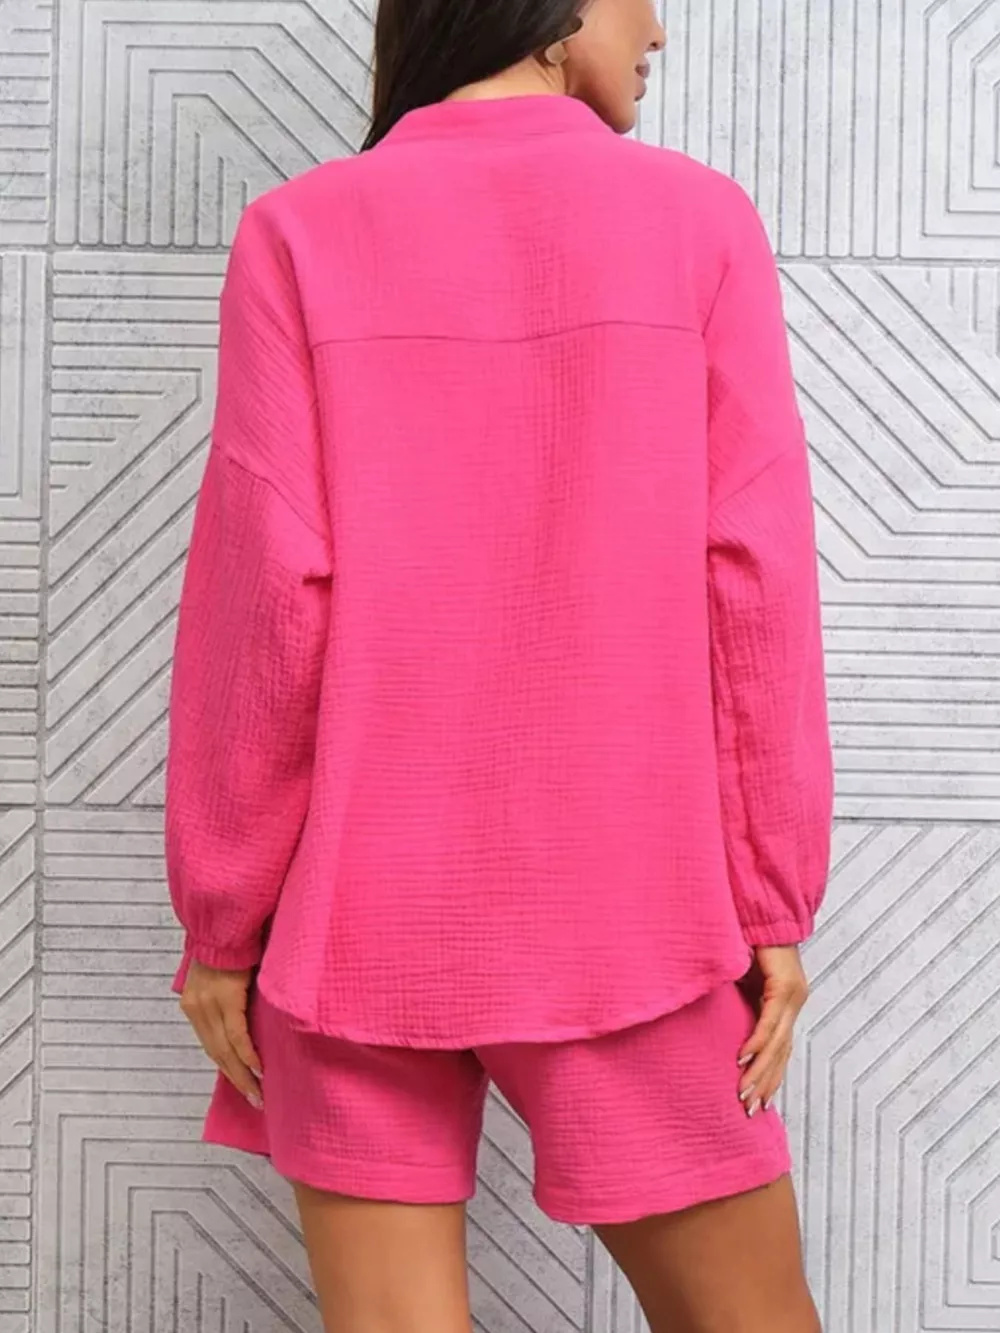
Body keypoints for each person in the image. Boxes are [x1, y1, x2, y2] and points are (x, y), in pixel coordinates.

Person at [165, 1, 835, 1329]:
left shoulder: (300, 230)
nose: (660, 26)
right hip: (633, 914)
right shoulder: (697, 223)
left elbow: (263, 598)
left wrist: (223, 920)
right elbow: (753, 579)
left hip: (353, 921)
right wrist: (770, 896)